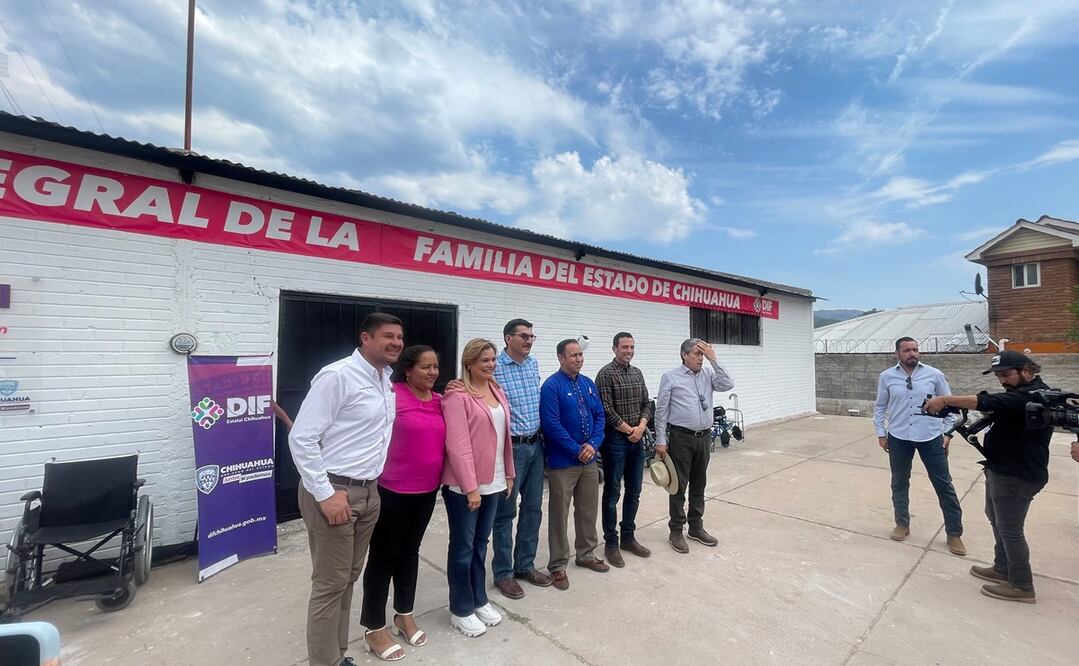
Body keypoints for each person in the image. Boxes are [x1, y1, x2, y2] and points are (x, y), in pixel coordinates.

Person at [288, 312, 403, 666]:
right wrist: (324, 493)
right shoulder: (338, 376)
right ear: (365, 338)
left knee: (348, 578)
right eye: (387, 336)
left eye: (399, 337)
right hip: (335, 492)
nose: (396, 342)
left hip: (368, 492)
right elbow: (302, 438)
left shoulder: (385, 379)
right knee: (329, 585)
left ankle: (337, 656)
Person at [925, 351, 1056, 603]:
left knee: (1010, 528)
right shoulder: (1018, 394)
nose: (1002, 380)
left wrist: (944, 399)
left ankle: (1021, 585)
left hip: (1018, 473)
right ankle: (1002, 567)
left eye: (1006, 374)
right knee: (995, 518)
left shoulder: (1032, 394)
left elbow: (992, 402)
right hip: (1001, 468)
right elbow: (999, 407)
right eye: (998, 376)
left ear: (1027, 371)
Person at [360, 346, 445, 662]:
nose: (433, 372)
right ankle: (373, 627)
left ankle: (403, 614)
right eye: (425, 367)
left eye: (436, 367)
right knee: (384, 556)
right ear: (408, 369)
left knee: (410, 553)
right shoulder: (392, 395)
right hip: (392, 490)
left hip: (426, 491)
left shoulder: (439, 401)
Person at [441, 339, 515, 637]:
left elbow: (505, 436)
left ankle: (478, 598)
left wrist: (508, 474)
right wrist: (470, 487)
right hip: (465, 486)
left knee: (481, 544)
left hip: (495, 480)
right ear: (469, 362)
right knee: (463, 547)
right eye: (484, 359)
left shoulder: (496, 389)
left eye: (493, 359)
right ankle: (460, 608)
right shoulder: (457, 395)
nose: (491, 364)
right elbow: (457, 446)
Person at [872, 337, 965, 555]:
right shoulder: (887, 377)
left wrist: (948, 434)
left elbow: (950, 404)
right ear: (897, 353)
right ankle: (902, 523)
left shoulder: (934, 375)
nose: (912, 354)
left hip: (930, 436)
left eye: (915, 350)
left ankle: (954, 534)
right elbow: (880, 407)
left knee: (944, 485)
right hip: (898, 436)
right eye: (907, 350)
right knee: (899, 482)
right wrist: (880, 433)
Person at [489, 318, 552, 600]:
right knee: (505, 513)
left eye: (531, 336)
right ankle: (503, 573)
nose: (528, 340)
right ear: (508, 339)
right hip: (510, 449)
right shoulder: (494, 368)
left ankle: (525, 565)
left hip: (536, 445)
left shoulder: (533, 365)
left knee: (533, 508)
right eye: (523, 336)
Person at [540, 338, 608, 590]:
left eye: (580, 355)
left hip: (589, 460)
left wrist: (593, 444)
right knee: (560, 513)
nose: (578, 359)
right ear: (560, 358)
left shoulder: (588, 384)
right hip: (562, 462)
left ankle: (586, 554)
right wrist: (576, 449)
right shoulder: (551, 386)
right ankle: (558, 565)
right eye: (573, 355)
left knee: (588, 509)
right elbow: (551, 424)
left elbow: (600, 416)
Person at [655, 338, 734, 554]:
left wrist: (714, 360)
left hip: (704, 437)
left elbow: (728, 384)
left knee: (699, 484)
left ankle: (696, 527)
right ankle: (676, 530)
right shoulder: (671, 377)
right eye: (696, 354)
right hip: (681, 437)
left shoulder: (709, 374)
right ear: (684, 355)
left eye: (702, 354)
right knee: (678, 486)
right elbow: (661, 411)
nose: (700, 358)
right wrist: (660, 439)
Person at [595, 331, 653, 567]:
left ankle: (628, 537)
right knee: (612, 493)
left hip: (636, 441)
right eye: (624, 347)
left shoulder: (637, 373)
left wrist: (641, 426)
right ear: (614, 349)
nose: (628, 351)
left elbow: (647, 403)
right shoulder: (605, 374)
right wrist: (629, 430)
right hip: (616, 442)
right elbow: (606, 410)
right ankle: (611, 543)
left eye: (631, 347)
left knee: (634, 491)